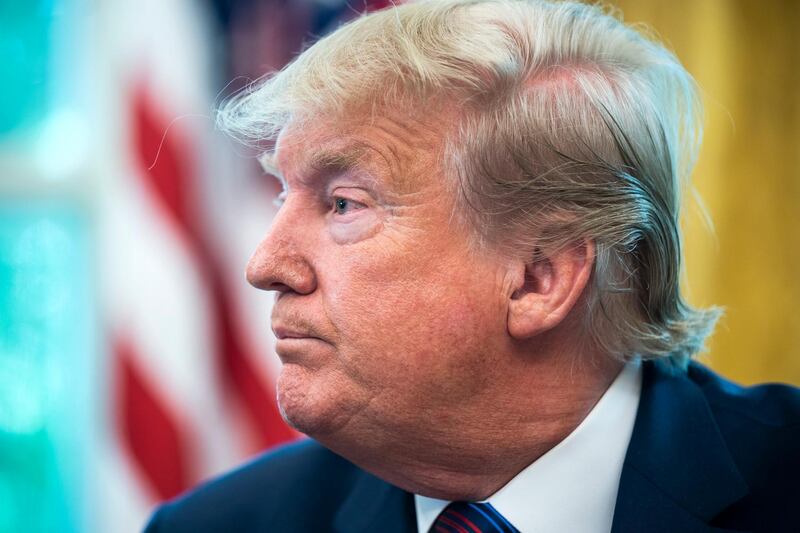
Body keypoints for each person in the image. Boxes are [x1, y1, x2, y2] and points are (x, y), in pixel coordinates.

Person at [144, 0, 800, 531]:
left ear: (539, 277)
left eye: (343, 203)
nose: (265, 264)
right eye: (284, 194)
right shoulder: (215, 524)